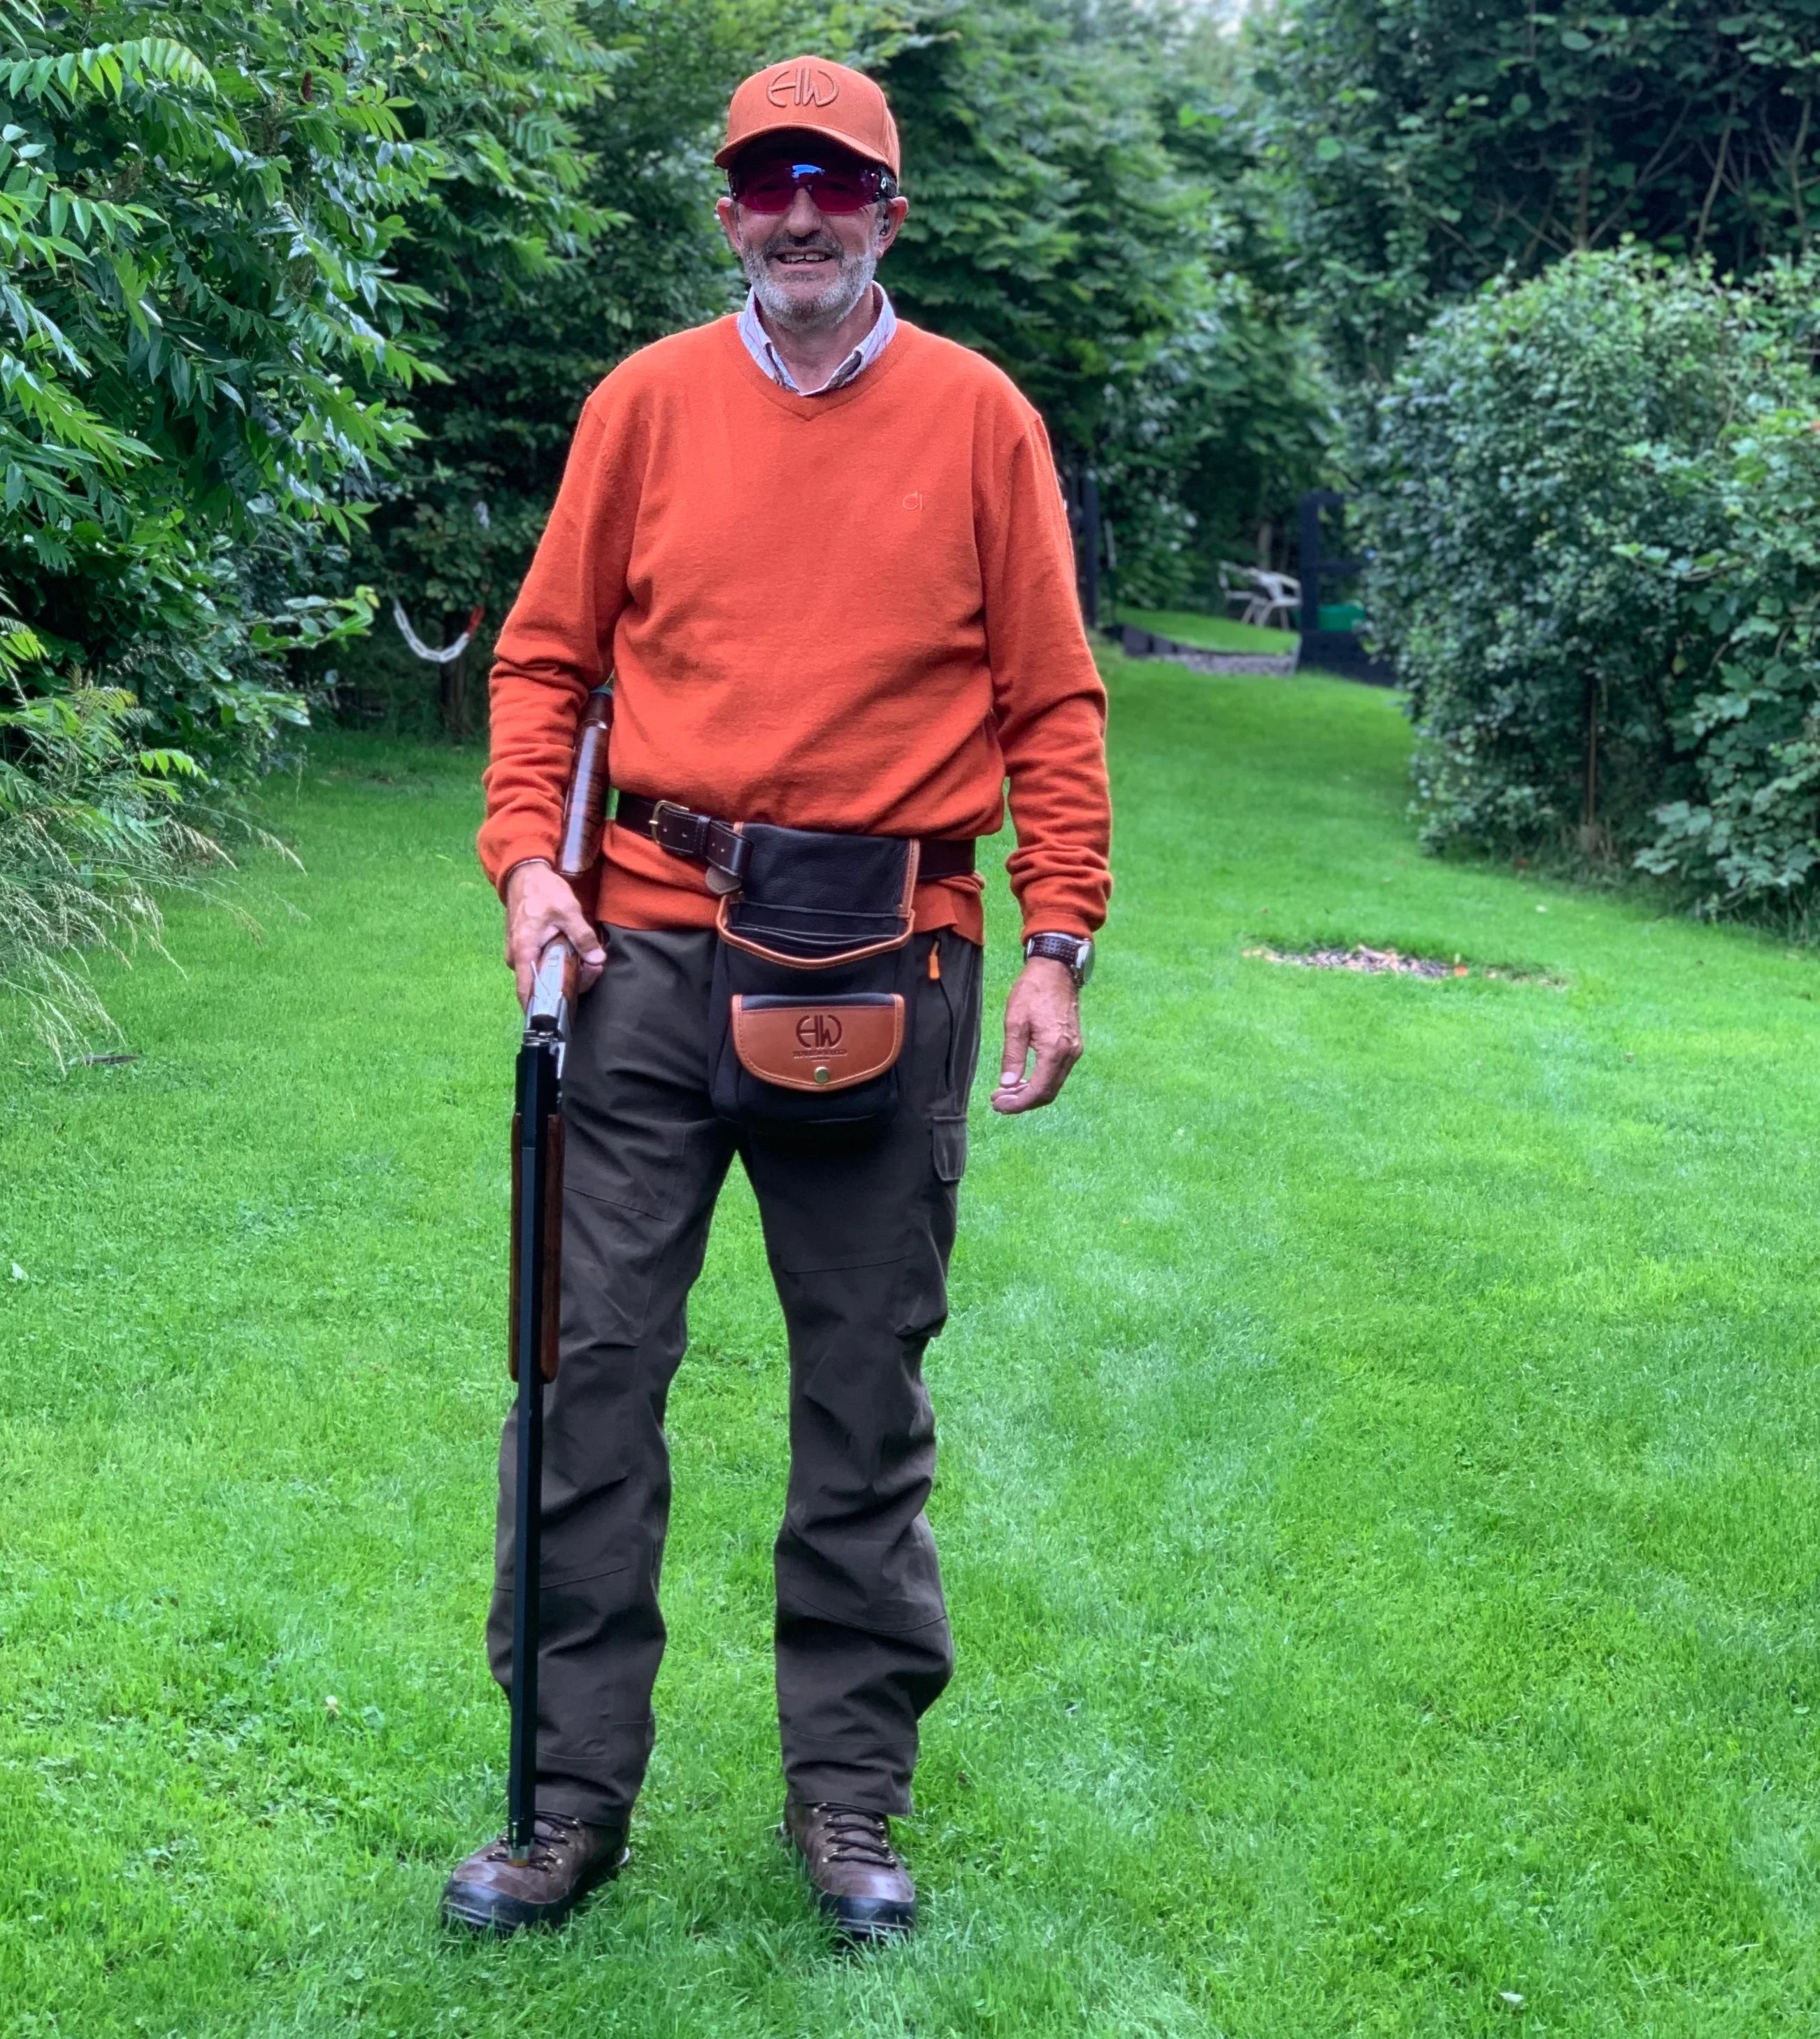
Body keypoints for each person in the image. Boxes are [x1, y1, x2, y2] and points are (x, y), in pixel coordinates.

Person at [443, 54, 1112, 1942]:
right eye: (764, 183)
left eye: (835, 182)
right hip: (639, 954)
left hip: (887, 963)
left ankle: (846, 1800)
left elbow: (1051, 703)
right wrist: (531, 863)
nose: (798, 212)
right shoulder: (643, 407)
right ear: (728, 209)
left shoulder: (980, 421)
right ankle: (564, 1802)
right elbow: (546, 665)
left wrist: (1054, 937)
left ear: (888, 212)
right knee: (584, 1383)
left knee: (860, 1397)